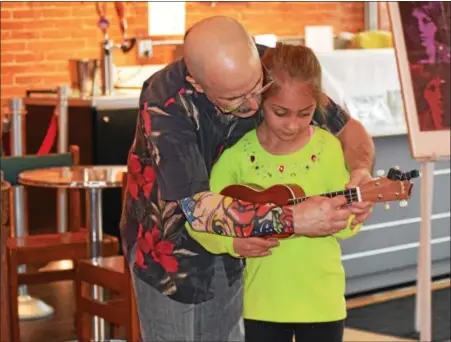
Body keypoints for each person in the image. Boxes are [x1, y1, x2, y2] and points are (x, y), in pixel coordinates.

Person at [120, 16, 374, 341]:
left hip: (239, 242)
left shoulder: (272, 66)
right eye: (235, 99)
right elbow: (198, 208)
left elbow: (350, 132)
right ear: (198, 84)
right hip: (169, 249)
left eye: (257, 88)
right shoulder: (166, 101)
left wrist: (360, 172)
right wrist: (293, 219)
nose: (254, 104)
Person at [187, 42, 362, 342]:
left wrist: (353, 215)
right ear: (260, 100)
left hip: (322, 302)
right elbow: (198, 221)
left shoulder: (329, 149)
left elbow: (346, 230)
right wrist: (233, 244)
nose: (293, 125)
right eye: (280, 112)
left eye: (305, 113)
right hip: (262, 304)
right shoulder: (237, 156)